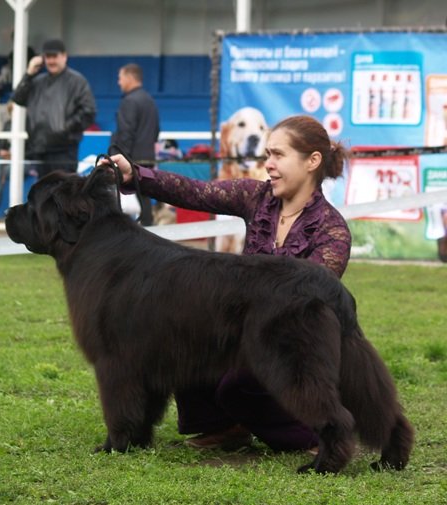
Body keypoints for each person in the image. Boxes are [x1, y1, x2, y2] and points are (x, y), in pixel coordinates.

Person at [107, 114, 352, 454]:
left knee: (238, 385)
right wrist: (136, 174)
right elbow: (196, 192)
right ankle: (223, 427)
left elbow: (309, 294)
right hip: (247, 328)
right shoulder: (256, 197)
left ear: (312, 161)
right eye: (267, 155)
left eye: (278, 156)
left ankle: (311, 434)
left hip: (294, 346)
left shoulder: (332, 231)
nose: (268, 165)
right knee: (185, 336)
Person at [11, 38, 96, 178]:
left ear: (64, 56)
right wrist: (29, 73)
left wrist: (64, 129)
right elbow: (18, 98)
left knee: (64, 195)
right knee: (43, 196)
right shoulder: (37, 81)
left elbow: (89, 111)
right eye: (47, 57)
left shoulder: (77, 81)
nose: (51, 61)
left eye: (54, 56)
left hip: (64, 151)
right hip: (40, 149)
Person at [110, 63, 159, 226]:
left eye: (120, 78)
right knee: (144, 200)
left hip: (131, 160)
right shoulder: (150, 100)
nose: (119, 82)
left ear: (130, 78)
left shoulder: (129, 101)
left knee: (117, 198)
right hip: (148, 158)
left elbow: (126, 132)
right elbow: (156, 130)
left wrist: (118, 158)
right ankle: (149, 230)